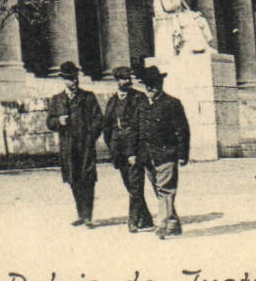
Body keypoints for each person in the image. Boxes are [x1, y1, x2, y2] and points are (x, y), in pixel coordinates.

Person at [44, 61, 102, 228]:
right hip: (68, 147)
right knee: (74, 179)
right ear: (63, 80)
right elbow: (49, 122)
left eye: (75, 78)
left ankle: (88, 216)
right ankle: (81, 214)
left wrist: (90, 137)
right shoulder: (57, 100)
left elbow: (98, 119)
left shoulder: (88, 97)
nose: (74, 82)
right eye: (70, 79)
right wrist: (58, 121)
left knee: (88, 179)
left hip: (85, 146)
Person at [137, 65, 189, 240]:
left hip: (167, 153)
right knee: (160, 191)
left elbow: (182, 130)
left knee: (166, 190)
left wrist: (182, 154)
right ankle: (173, 224)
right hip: (148, 156)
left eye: (153, 84)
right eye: (147, 84)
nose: (150, 88)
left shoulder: (172, 103)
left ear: (160, 84)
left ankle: (162, 224)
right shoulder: (143, 105)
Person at [101, 66, 153, 233]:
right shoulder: (112, 101)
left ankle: (132, 220)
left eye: (129, 78)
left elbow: (142, 125)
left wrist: (134, 152)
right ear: (117, 81)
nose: (127, 81)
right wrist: (113, 147)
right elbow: (107, 127)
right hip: (119, 151)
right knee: (130, 186)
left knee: (136, 184)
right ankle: (146, 219)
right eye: (123, 78)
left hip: (136, 149)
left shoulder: (140, 98)